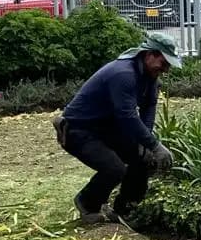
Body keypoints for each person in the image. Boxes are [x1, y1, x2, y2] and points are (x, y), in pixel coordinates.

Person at [53, 33, 180, 224]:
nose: (166, 69)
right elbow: (127, 116)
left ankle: (125, 208)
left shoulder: (150, 77)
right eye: (163, 63)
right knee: (115, 168)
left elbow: (148, 110)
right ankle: (87, 203)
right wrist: (155, 145)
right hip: (79, 130)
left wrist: (146, 145)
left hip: (106, 129)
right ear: (149, 55)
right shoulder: (123, 74)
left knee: (144, 158)